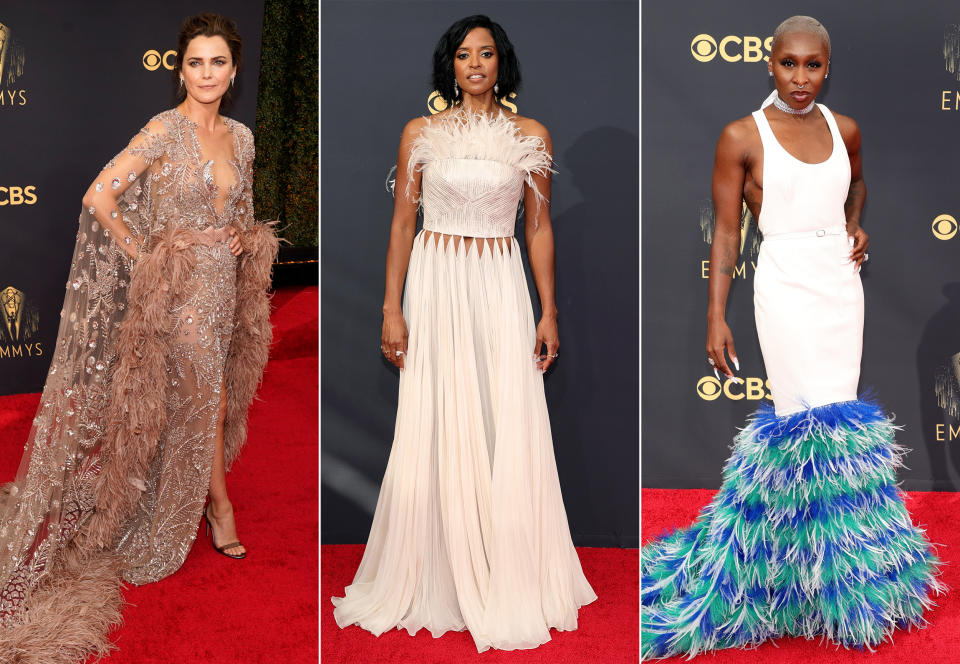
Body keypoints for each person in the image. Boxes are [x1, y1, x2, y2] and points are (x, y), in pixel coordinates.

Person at [641, 15, 944, 659]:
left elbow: (855, 186)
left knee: (837, 422)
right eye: (788, 64)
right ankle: (775, 574)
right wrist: (715, 313)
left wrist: (853, 228)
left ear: (827, 67)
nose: (800, 78)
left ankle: (833, 578)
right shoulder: (741, 136)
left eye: (812, 66)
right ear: (769, 64)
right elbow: (727, 232)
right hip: (780, 282)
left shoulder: (847, 130)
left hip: (839, 284)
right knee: (799, 417)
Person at [0, 13, 277, 663]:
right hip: (178, 295)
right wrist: (145, 253)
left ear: (233, 72)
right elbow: (101, 196)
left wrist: (243, 237)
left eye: (218, 63)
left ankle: (210, 499)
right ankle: (217, 506)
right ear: (179, 69)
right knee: (195, 396)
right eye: (195, 62)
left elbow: (239, 211)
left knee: (205, 399)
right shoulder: (165, 130)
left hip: (222, 287)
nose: (206, 74)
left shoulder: (240, 137)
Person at [332, 14, 596, 653]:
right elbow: (402, 223)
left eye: (485, 53)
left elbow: (538, 228)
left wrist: (549, 308)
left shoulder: (530, 135)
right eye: (462, 54)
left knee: (501, 415)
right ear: (448, 66)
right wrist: (391, 306)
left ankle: (505, 567)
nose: (474, 64)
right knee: (438, 415)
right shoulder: (419, 132)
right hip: (436, 282)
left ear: (501, 62)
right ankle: (439, 567)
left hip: (499, 284)